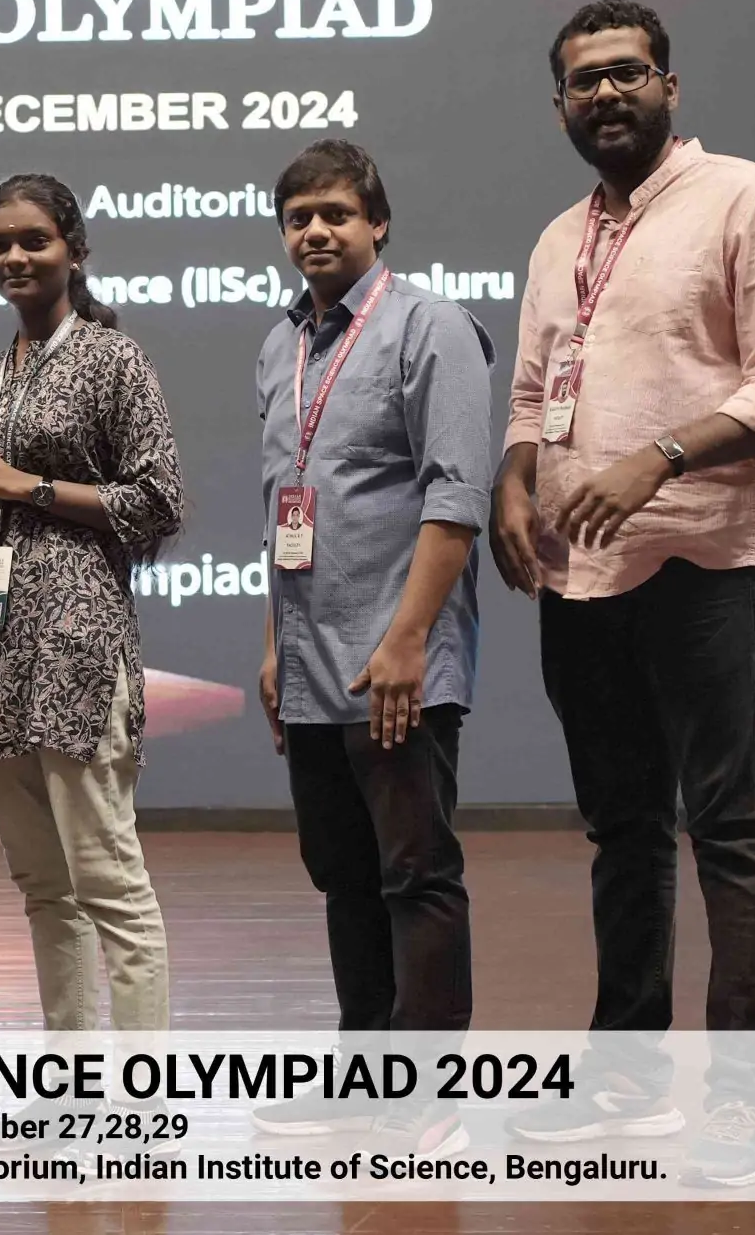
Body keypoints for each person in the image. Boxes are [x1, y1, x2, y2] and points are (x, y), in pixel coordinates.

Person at [493, 0, 755, 1187]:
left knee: (729, 827)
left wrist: (659, 456)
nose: (604, 93)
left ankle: (743, 1103)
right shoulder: (556, 239)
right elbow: (534, 392)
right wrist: (513, 480)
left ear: (668, 88)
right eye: (582, 81)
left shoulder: (749, 200)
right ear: (558, 105)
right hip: (581, 573)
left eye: (625, 73)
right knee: (622, 831)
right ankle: (626, 1078)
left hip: (711, 559)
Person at [246, 141, 494, 1159]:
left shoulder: (430, 326)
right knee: (343, 878)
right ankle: (365, 1078)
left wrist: (407, 640)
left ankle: (429, 1095)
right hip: (310, 666)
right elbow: (284, 508)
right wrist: (274, 643)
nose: (315, 231)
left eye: (335, 214)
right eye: (298, 217)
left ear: (377, 223)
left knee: (414, 874)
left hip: (397, 663)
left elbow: (456, 495)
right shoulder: (280, 345)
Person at [0, 174, 183, 1068]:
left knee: (108, 879)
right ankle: (71, 1078)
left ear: (74, 249)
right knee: (43, 885)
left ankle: (144, 1091)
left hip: (78, 648)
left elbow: (158, 502)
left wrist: (27, 485)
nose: (15, 256)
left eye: (34, 239)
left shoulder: (115, 358)